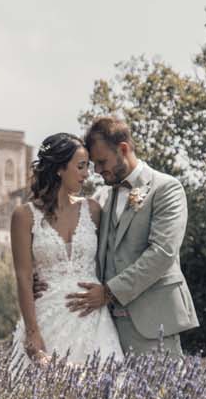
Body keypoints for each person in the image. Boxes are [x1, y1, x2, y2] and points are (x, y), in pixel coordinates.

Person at [54, 116, 198, 356]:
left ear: (123, 149)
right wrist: (50, 283)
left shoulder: (166, 189)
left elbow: (162, 254)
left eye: (102, 162)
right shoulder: (103, 198)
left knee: (163, 393)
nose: (97, 171)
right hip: (105, 328)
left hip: (153, 323)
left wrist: (108, 292)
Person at [8, 132, 123, 374]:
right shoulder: (23, 216)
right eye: (81, 167)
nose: (87, 174)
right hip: (46, 319)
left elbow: (111, 260)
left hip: (94, 320)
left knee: (106, 394)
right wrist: (32, 332)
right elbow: (23, 277)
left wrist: (109, 294)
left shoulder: (93, 210)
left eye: (88, 167)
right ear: (60, 169)